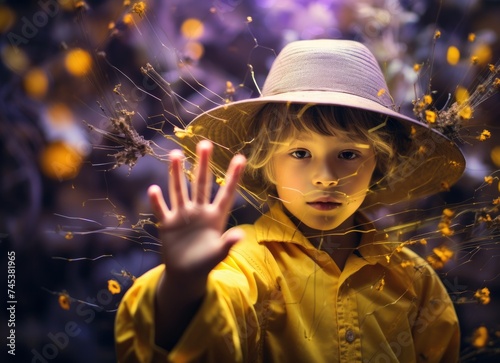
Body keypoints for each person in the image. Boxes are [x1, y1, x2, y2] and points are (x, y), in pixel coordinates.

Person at [115, 39, 464, 362]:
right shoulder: (244, 266)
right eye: (300, 152)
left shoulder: (414, 281)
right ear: (267, 163)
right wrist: (180, 289)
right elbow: (207, 335)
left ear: (379, 163)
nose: (325, 177)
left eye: (348, 154)